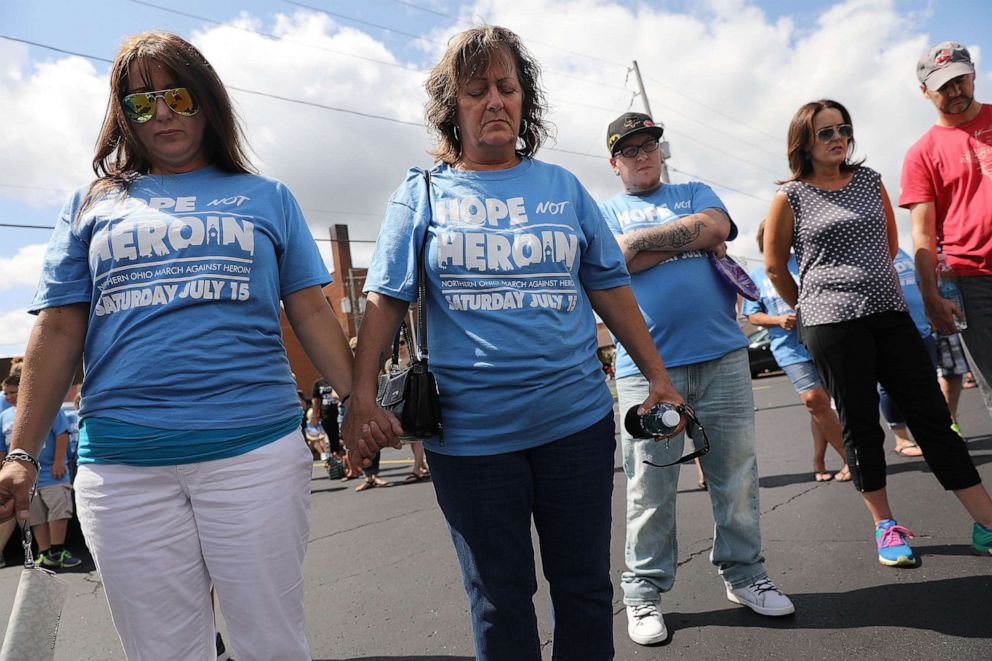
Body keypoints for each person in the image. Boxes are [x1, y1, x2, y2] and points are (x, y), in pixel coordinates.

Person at [0, 31, 354, 660]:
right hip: (123, 467)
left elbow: (309, 308)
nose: (161, 112)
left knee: (269, 644)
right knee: (162, 652)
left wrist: (359, 402)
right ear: (123, 118)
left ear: (207, 102)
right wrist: (22, 454)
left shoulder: (268, 197)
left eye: (177, 95)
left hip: (255, 455)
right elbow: (57, 329)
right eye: (140, 103)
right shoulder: (91, 205)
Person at [344, 26, 683, 661]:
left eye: (507, 87)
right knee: (499, 596)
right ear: (454, 107)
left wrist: (658, 378)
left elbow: (610, 288)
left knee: (583, 589)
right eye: (477, 91)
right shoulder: (420, 193)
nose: (495, 101)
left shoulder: (563, 189)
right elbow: (385, 299)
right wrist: (361, 398)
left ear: (525, 101)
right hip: (471, 441)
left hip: (573, 425)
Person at [763, 98, 992, 567]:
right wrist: (810, 309)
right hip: (830, 326)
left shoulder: (870, 181)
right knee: (861, 424)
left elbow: (890, 244)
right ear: (804, 142)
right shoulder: (790, 197)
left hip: (888, 316)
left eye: (843, 128)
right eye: (825, 132)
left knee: (932, 417)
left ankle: (987, 522)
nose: (837, 138)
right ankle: (886, 527)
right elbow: (774, 267)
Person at [599, 111, 794, 647]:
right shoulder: (603, 212)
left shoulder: (696, 189)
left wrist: (645, 240)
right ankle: (642, 593)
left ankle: (744, 574)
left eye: (650, 146)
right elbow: (615, 265)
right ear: (614, 162)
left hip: (724, 356)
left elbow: (719, 228)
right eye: (631, 149)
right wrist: (687, 240)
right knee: (650, 487)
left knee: (735, 477)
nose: (643, 155)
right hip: (647, 371)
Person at [900, 41, 992, 422]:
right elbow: (922, 234)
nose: (955, 92)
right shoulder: (921, 153)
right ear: (925, 91)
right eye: (943, 86)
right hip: (973, 283)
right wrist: (929, 294)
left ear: (973, 75)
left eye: (961, 81)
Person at [743, 220, 849, 481]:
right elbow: (753, 316)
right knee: (814, 400)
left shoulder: (807, 262)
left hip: (822, 340)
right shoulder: (757, 276)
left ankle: (819, 461)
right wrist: (778, 320)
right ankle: (852, 459)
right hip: (788, 348)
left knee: (821, 405)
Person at [0, 376, 83, 570]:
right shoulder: (4, 416)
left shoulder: (47, 407)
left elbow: (62, 434)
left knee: (58, 510)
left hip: (52, 473)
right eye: (7, 393)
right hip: (27, 478)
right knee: (34, 515)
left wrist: (57, 462)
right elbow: (2, 448)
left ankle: (58, 551)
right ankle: (45, 553)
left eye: (14, 391)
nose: (11, 396)